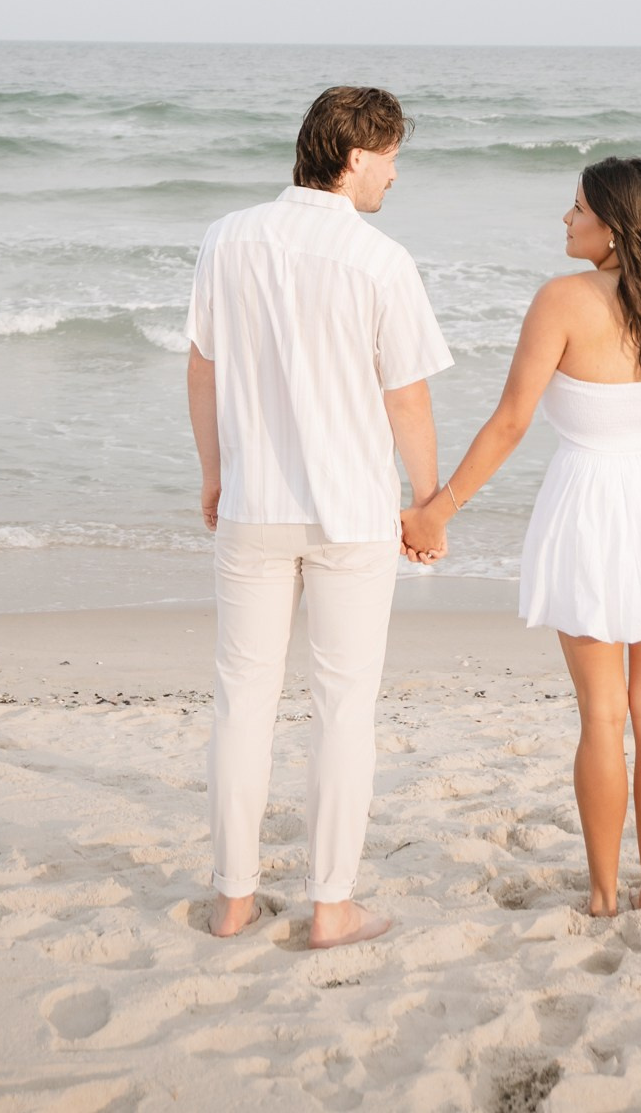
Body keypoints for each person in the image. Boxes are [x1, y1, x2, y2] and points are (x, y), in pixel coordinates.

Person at [399, 156, 641, 918]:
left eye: (577, 207)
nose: (565, 218)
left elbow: (512, 422)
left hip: (590, 508)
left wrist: (436, 510)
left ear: (614, 225)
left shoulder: (562, 300)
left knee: (603, 715)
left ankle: (601, 897)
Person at [186, 83, 451, 946]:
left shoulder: (226, 239)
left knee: (243, 701)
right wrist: (428, 503)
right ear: (354, 156)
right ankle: (331, 906)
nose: (395, 176)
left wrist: (214, 474)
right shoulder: (380, 260)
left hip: (254, 504)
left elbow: (203, 369)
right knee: (343, 708)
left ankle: (232, 897)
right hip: (352, 513)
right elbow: (405, 398)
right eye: (391, 158)